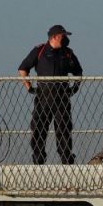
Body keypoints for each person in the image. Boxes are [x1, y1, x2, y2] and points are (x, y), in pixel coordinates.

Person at [18, 25, 83, 164]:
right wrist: (29, 88)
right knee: (39, 128)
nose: (66, 38)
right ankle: (38, 158)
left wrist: (75, 88)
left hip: (62, 98)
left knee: (64, 129)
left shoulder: (68, 53)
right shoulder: (39, 50)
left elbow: (78, 72)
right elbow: (23, 69)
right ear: (54, 37)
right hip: (43, 97)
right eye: (63, 35)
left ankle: (66, 159)